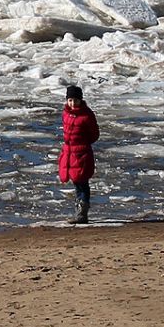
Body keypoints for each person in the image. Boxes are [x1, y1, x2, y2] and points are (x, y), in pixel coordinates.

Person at [58, 85, 99, 225]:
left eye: (75, 100)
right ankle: (79, 210)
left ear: (80, 100)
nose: (72, 103)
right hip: (69, 152)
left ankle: (82, 212)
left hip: (81, 153)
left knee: (82, 182)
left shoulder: (86, 115)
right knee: (76, 182)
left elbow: (94, 134)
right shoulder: (66, 114)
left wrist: (83, 144)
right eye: (70, 100)